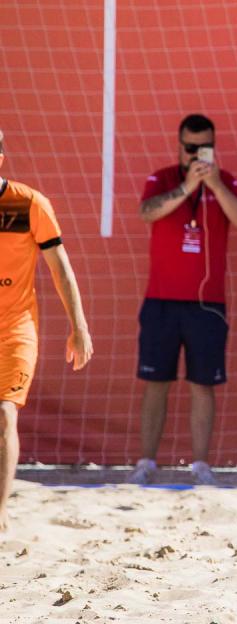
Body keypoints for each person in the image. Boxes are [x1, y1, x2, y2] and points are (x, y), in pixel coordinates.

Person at [129, 114, 237, 486]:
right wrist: (187, 187)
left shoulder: (225, 180)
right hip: (161, 300)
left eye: (205, 147)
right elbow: (147, 212)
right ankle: (146, 462)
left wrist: (213, 184)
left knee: (203, 384)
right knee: (156, 382)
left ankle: (200, 465)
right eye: (190, 147)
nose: (197, 153)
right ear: (179, 145)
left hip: (207, 304)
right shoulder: (162, 178)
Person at [0, 129, 94, 530]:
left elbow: (60, 267)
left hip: (15, 330)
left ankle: (0, 511)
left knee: (5, 414)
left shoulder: (28, 203)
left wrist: (79, 326)